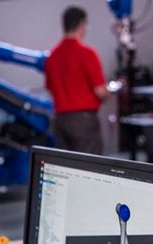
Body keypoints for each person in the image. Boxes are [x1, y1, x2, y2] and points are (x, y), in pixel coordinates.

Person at [44, 6, 109, 154]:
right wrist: (108, 93)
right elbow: (100, 91)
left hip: (60, 121)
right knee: (90, 169)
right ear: (82, 24)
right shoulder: (87, 53)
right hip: (83, 121)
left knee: (67, 168)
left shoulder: (52, 56)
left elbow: (50, 88)